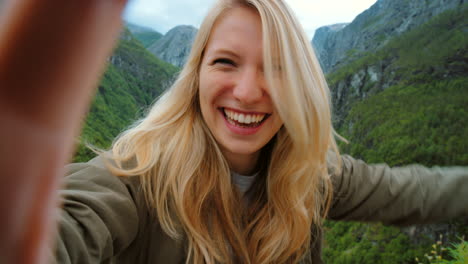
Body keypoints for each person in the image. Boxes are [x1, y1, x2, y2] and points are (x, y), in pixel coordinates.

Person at [0, 0, 466, 264]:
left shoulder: (312, 176)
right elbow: (63, 234)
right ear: (196, 74)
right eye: (226, 62)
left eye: (276, 70)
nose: (247, 92)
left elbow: (415, 192)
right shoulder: (134, 182)